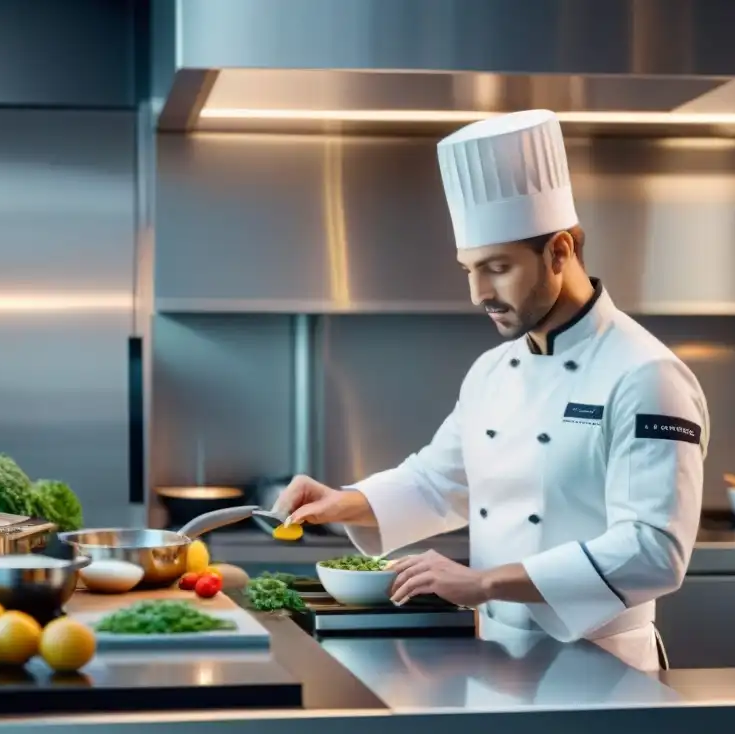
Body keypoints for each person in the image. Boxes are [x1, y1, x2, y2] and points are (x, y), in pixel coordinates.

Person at [274, 109, 710, 672]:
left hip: (603, 667)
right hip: (499, 661)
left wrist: (484, 582)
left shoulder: (646, 375)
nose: (480, 292)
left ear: (561, 250)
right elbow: (440, 480)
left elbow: (654, 551)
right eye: (469, 270)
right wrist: (343, 503)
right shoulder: (489, 370)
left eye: (498, 267)